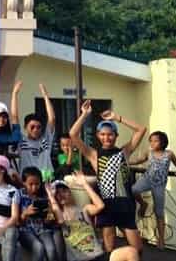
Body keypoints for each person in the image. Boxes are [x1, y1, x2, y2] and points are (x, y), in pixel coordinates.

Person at [69, 100, 146, 253]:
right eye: (103, 134)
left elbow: (141, 129)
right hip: (106, 208)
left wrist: (117, 117)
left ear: (116, 136)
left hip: (125, 206)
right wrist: (84, 114)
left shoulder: (124, 151)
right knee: (109, 249)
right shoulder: (93, 155)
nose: (106, 138)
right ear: (98, 135)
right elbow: (73, 134)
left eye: (110, 134)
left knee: (137, 249)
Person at [130, 131, 176, 249]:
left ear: (162, 142)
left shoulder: (169, 154)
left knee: (159, 212)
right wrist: (127, 162)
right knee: (134, 189)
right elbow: (139, 160)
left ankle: (161, 240)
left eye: (155, 141)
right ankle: (143, 204)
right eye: (150, 141)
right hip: (146, 179)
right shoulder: (149, 152)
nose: (152, 143)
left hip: (159, 186)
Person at [53, 172, 140, 261]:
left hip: (99, 256)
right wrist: (51, 197)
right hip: (80, 259)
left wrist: (84, 184)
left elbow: (100, 205)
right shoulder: (57, 215)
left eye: (64, 191)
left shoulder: (84, 209)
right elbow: (59, 219)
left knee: (131, 252)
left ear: (70, 192)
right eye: (57, 193)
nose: (61, 195)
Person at [19, 167, 65, 261]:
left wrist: (49, 214)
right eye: (30, 184)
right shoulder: (19, 195)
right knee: (39, 247)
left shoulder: (43, 196)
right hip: (26, 230)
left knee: (51, 250)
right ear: (24, 182)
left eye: (37, 184)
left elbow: (49, 221)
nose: (34, 187)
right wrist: (25, 213)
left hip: (43, 229)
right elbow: (17, 221)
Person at [18, 82, 57, 182]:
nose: (36, 129)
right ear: (25, 127)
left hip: (46, 180)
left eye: (39, 127)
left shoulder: (46, 140)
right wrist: (14, 93)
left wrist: (45, 96)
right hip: (27, 182)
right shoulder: (21, 141)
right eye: (32, 127)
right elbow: (14, 117)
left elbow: (51, 119)